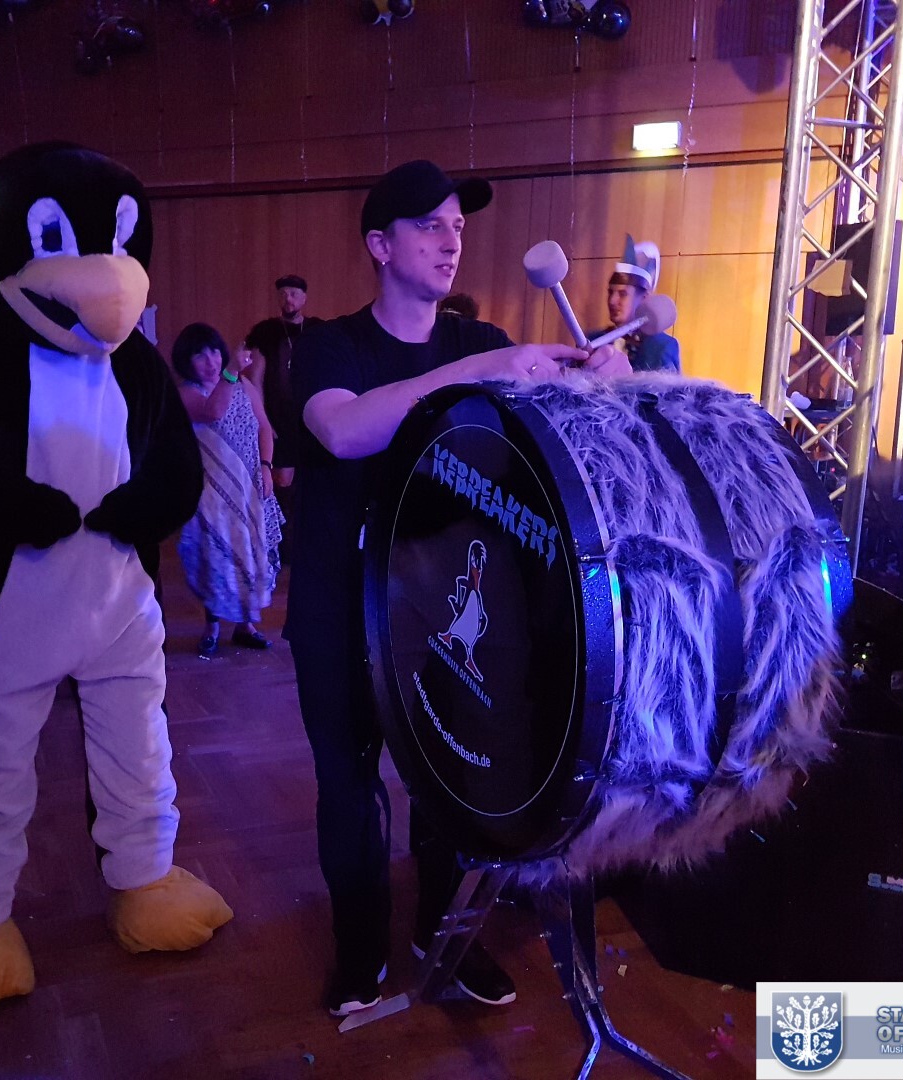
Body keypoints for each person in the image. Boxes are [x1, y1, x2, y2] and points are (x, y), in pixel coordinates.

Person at [287, 159, 629, 1017]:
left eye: (459, 227)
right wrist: (492, 367)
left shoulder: (479, 344)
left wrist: (603, 383)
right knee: (349, 783)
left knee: (449, 779)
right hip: (338, 601)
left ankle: (441, 936)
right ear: (380, 245)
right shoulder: (330, 344)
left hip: (440, 606)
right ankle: (360, 953)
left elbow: (559, 435)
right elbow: (343, 429)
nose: (452, 241)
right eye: (430, 225)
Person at [171, 322, 283, 654]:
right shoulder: (186, 393)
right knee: (216, 559)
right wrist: (231, 371)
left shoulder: (244, 385)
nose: (211, 361)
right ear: (186, 361)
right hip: (212, 493)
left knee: (249, 554)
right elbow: (214, 411)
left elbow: (264, 428)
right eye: (199, 355)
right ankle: (212, 627)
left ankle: (245, 626)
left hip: (249, 486)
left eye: (214, 352)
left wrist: (266, 467)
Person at [244, 275, 323, 501]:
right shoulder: (265, 331)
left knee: (313, 479)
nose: (288, 299)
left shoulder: (318, 330)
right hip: (278, 417)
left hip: (311, 416)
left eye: (294, 294)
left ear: (304, 298)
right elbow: (255, 379)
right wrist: (263, 421)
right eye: (283, 294)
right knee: (282, 481)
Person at [593, 235, 681, 374]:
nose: (612, 301)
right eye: (610, 292)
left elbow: (668, 388)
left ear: (644, 298)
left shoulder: (661, 347)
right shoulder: (593, 340)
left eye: (623, 294)